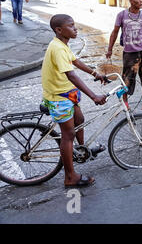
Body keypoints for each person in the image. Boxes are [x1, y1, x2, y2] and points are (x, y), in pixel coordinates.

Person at [42, 14, 108, 188]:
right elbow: (71, 74)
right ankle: (70, 177)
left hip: (67, 94)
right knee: (68, 135)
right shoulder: (57, 48)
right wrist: (93, 96)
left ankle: (81, 150)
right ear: (59, 30)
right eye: (71, 26)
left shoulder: (62, 45)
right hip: (58, 97)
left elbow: (76, 62)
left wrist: (96, 74)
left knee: (79, 120)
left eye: (74, 25)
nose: (75, 28)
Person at [106, 0, 142, 110]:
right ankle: (125, 101)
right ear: (131, 0)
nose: (141, 1)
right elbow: (115, 32)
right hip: (129, 52)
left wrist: (139, 42)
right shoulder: (122, 15)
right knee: (127, 76)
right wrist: (109, 49)